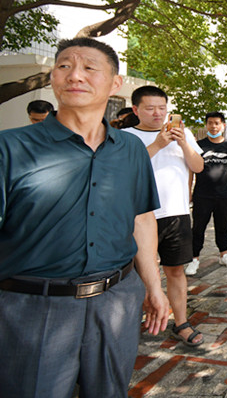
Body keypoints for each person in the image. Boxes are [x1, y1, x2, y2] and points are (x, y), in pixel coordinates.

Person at [0, 37, 169, 397]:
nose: (75, 75)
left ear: (114, 83)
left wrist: (154, 287)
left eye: (89, 68)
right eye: (64, 66)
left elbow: (141, 219)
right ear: (53, 77)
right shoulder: (10, 148)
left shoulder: (131, 150)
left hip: (116, 302)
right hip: (33, 307)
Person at [124, 86, 206, 347]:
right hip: (138, 215)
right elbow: (122, 169)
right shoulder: (125, 137)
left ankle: (180, 322)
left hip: (175, 213)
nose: (158, 113)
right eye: (150, 108)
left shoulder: (184, 135)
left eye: (162, 107)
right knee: (136, 273)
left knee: (175, 270)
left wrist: (182, 143)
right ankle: (133, 322)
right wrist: (158, 144)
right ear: (136, 110)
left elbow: (199, 167)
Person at [185, 111, 227, 275]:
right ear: (206, 125)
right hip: (202, 194)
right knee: (198, 228)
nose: (213, 126)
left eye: (217, 123)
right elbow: (191, 170)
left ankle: (224, 254)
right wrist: (188, 191)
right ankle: (194, 258)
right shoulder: (198, 145)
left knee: (223, 227)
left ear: (223, 125)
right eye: (210, 123)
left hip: (224, 195)